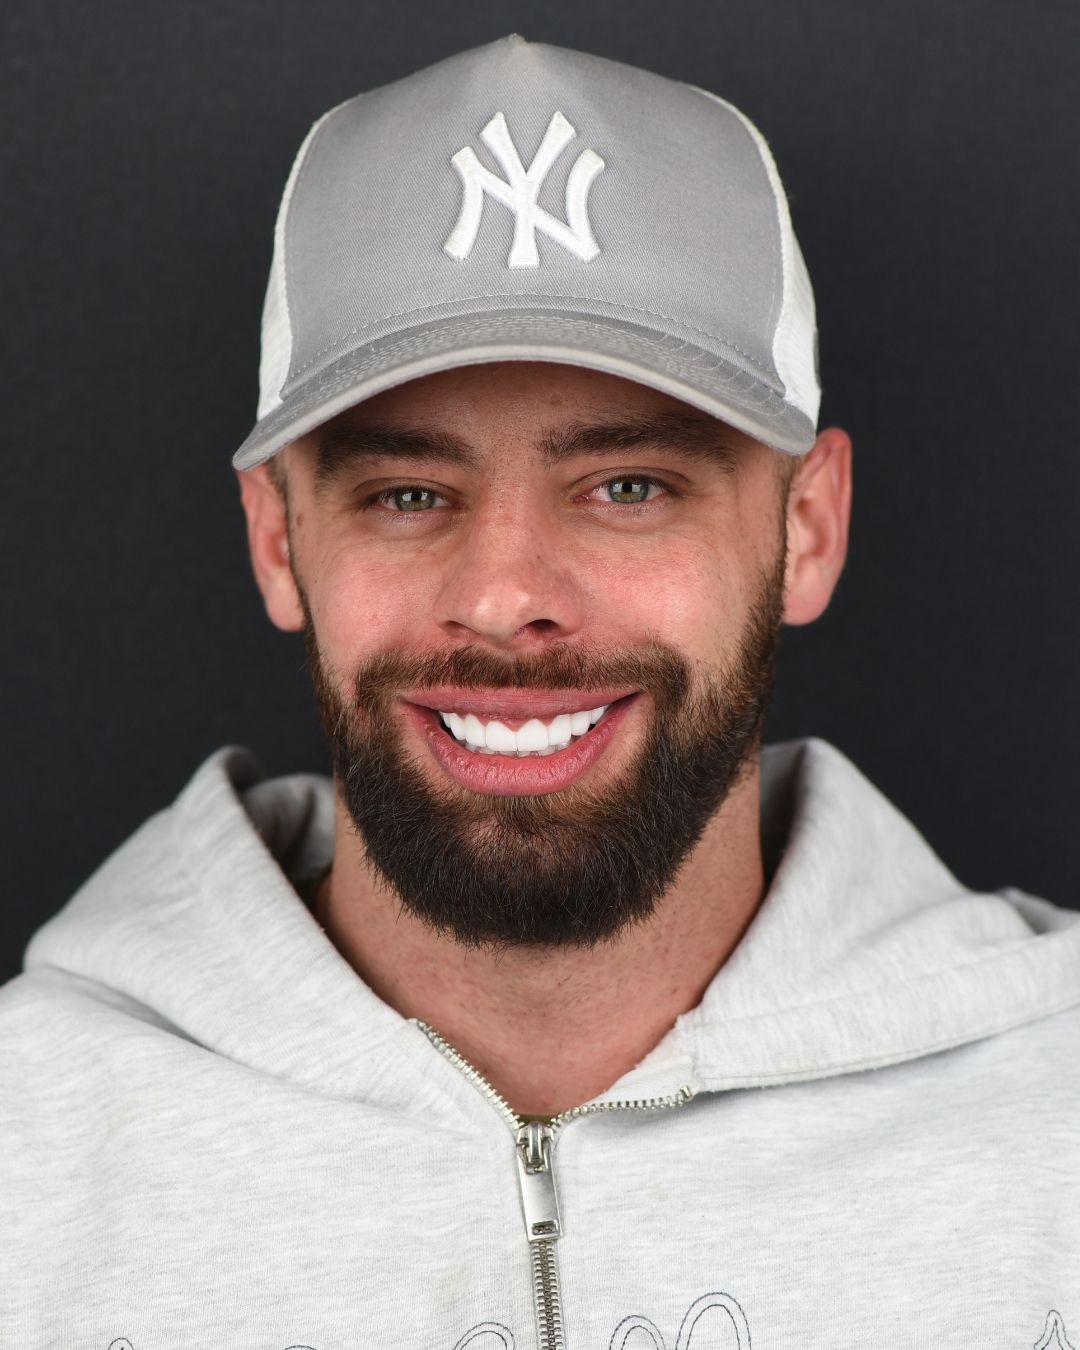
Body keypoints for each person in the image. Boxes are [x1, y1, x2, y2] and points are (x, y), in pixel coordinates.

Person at [3, 35, 1079, 1350]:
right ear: (278, 540)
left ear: (807, 526)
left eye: (628, 486)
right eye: (409, 493)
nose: (507, 595)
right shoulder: (28, 1157)